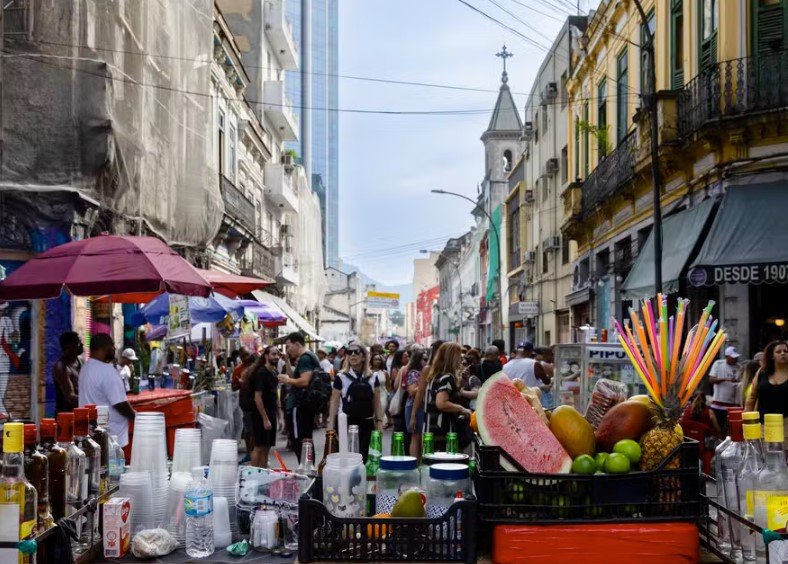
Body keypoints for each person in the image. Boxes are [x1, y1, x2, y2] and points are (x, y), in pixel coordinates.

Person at [78, 334, 136, 448]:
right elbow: (120, 404)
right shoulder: (107, 371)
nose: (114, 349)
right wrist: (135, 417)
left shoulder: (86, 367)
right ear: (102, 348)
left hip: (92, 431)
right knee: (110, 464)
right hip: (110, 436)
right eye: (111, 345)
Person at [328, 343, 382, 461]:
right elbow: (334, 402)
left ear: (364, 357)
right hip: (345, 422)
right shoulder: (341, 377)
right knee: (346, 458)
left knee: (366, 457)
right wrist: (331, 425)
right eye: (349, 352)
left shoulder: (373, 377)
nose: (352, 355)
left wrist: (379, 423)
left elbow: (377, 402)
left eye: (356, 352)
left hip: (367, 424)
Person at [278, 332, 322, 462]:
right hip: (303, 405)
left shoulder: (305, 358)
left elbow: (304, 381)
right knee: (304, 440)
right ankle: (307, 469)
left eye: (289, 346)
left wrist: (287, 380)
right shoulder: (306, 357)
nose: (288, 349)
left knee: (300, 441)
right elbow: (295, 377)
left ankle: (306, 469)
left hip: (299, 406)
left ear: (297, 344)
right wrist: (286, 361)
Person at [423, 342, 473, 452]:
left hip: (429, 428)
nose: (462, 360)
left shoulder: (435, 375)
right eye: (459, 357)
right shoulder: (447, 377)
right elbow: (441, 403)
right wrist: (462, 409)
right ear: (452, 358)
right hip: (442, 431)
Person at [745, 340, 788, 436]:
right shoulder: (762, 372)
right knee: (763, 450)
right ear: (772, 356)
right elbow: (751, 398)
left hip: (785, 425)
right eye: (778, 352)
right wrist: (746, 422)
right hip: (762, 425)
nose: (783, 354)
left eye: (785, 351)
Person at [249, 346, 280, 467]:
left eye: (277, 354)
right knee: (259, 447)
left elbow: (275, 395)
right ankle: (254, 474)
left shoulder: (274, 372)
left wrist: (279, 415)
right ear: (266, 356)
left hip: (271, 414)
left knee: (267, 447)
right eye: (273, 354)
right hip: (260, 416)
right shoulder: (261, 373)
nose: (276, 357)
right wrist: (265, 418)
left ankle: (263, 473)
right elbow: (257, 397)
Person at [709, 346, 742, 433]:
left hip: (733, 404)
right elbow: (711, 380)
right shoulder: (718, 364)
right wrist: (725, 379)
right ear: (727, 357)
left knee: (730, 430)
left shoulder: (739, 367)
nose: (735, 359)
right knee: (718, 429)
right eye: (733, 357)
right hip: (718, 403)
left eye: (736, 357)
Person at [404, 350, 427, 458]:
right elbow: (412, 391)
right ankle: (415, 462)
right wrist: (423, 387)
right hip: (414, 406)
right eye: (424, 359)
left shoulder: (423, 372)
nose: (426, 362)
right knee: (415, 436)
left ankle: (418, 462)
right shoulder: (414, 372)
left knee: (419, 436)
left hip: (421, 406)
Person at [54, 332, 83, 413]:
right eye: (78, 342)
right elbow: (70, 397)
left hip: (81, 414)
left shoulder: (81, 361)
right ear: (68, 346)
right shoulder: (61, 367)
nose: (82, 344)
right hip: (66, 417)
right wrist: (92, 399)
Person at [369, 354, 389, 424]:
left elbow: (388, 386)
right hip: (371, 396)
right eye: (375, 359)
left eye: (379, 359)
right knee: (372, 417)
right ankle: (375, 432)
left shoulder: (385, 372)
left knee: (379, 416)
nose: (377, 361)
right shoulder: (368, 372)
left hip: (383, 396)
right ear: (371, 361)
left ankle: (378, 432)